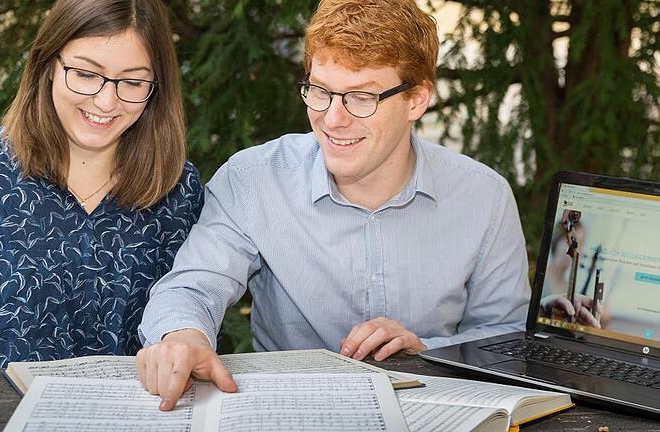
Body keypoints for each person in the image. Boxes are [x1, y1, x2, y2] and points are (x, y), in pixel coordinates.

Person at [137, 0, 531, 410]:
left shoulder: (484, 197)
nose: (333, 119)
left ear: (416, 99)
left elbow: (506, 336)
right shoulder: (254, 179)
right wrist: (182, 337)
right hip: (290, 413)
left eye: (360, 97)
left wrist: (429, 350)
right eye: (320, 91)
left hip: (437, 413)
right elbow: (192, 287)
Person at [0, 0, 202, 369]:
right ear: (47, 65)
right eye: (85, 74)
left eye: (132, 81)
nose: (105, 100)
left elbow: (184, 336)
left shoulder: (178, 189)